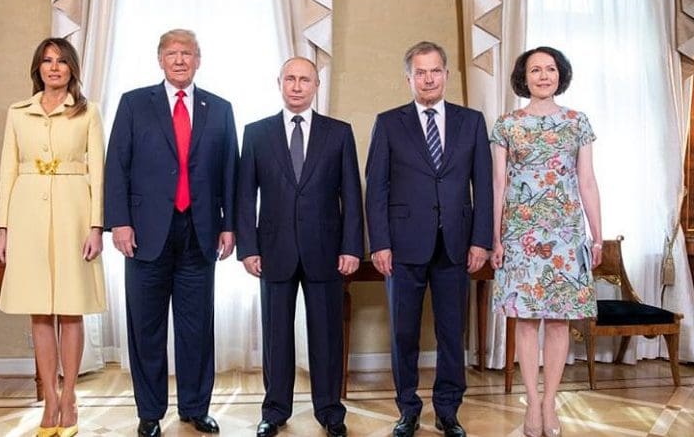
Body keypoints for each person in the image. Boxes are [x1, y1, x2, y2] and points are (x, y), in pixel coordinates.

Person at [104, 28, 238, 437]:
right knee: (146, 327)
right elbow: (116, 167)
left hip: (201, 233)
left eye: (187, 53)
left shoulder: (219, 108)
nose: (180, 60)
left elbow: (230, 170)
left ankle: (196, 408)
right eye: (172, 53)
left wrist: (230, 224)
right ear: (159, 60)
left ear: (199, 60)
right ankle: (149, 413)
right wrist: (120, 221)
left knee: (197, 327)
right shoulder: (133, 104)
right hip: (145, 234)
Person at [365, 41, 492, 437]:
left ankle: (448, 410)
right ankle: (407, 409)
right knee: (403, 332)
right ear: (409, 78)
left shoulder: (471, 121)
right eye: (420, 72)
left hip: (457, 244)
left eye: (435, 70)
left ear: (446, 74)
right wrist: (379, 243)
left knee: (452, 332)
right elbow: (377, 188)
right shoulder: (388, 122)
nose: (428, 78)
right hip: (402, 246)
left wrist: (480, 240)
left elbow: (483, 187)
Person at [237, 57, 363, 437]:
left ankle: (330, 411)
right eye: (290, 78)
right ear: (279, 83)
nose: (296, 85)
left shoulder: (338, 133)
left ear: (316, 85)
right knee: (276, 336)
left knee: (326, 335)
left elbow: (351, 196)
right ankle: (275, 411)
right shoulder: (256, 133)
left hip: (326, 250)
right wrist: (248, 247)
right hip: (273, 250)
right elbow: (245, 196)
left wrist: (351, 247)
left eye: (304, 79)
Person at [0, 37, 105, 437]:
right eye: (46, 61)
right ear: (37, 68)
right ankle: (51, 400)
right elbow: (7, 170)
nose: (54, 67)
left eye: (61, 61)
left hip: (75, 211)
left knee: (71, 307)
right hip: (26, 213)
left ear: (72, 68)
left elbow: (99, 172)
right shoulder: (17, 113)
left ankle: (71, 395)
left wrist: (96, 225)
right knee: (39, 309)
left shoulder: (87, 112)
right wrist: (3, 228)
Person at [490, 46, 601, 437]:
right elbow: (498, 184)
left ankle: (550, 401)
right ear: (524, 77)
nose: (543, 75)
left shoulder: (577, 122)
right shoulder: (506, 124)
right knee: (523, 320)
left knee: (558, 322)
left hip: (566, 234)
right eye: (535, 69)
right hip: (520, 234)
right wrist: (495, 236)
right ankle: (532, 404)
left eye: (550, 69)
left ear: (560, 75)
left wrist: (597, 234)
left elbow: (586, 180)